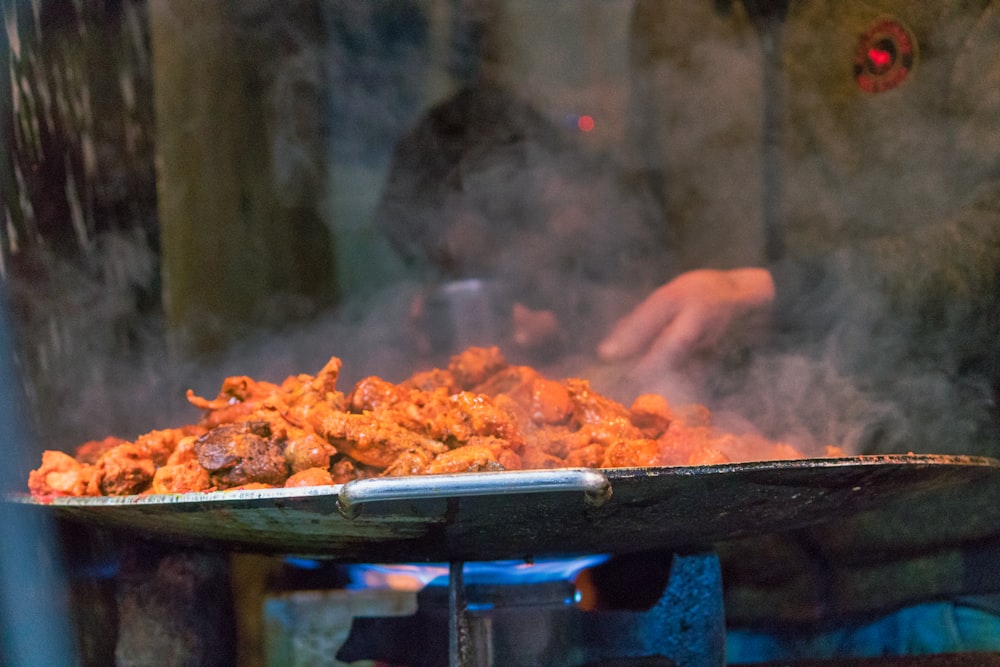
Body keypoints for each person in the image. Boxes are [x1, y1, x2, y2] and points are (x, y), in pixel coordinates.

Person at [596, 0, 1000, 660]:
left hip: (941, 567)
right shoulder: (670, 16)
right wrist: (570, 298)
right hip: (729, 584)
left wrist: (778, 294)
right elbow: (649, 219)